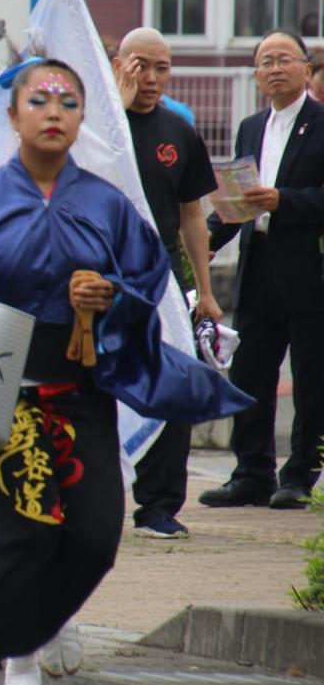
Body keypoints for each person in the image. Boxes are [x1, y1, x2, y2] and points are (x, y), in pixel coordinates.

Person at [0, 58, 251, 685]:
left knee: (96, 532)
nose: (52, 111)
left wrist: (109, 295)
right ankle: (19, 662)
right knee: (23, 530)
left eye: (67, 102)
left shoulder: (106, 203)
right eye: (37, 101)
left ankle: (54, 612)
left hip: (83, 389)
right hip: (10, 388)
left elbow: (147, 279)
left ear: (80, 118)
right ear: (13, 117)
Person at [200, 28, 324, 511]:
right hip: (258, 264)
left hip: (308, 269)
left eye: (285, 59)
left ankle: (299, 476)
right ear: (255, 74)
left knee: (312, 377)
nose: (275, 68)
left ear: (306, 69)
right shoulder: (252, 127)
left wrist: (284, 201)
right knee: (249, 373)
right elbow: (239, 202)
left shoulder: (319, 121)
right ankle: (251, 472)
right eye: (265, 61)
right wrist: (203, 243)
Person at [112, 27, 221, 539]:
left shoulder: (178, 130)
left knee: (173, 382)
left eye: (161, 68)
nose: (151, 78)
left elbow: (193, 216)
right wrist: (117, 103)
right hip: (99, 276)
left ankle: (158, 505)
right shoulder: (92, 124)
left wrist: (205, 291)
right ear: (118, 64)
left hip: (163, 282)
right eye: (140, 65)